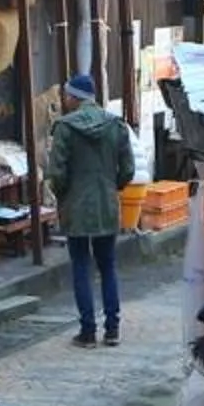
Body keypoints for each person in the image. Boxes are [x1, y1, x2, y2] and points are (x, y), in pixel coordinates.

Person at [45, 73, 133, 348]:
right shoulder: (115, 125)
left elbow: (56, 172)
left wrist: (63, 195)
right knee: (108, 266)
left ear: (74, 97)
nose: (65, 100)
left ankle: (87, 331)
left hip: (76, 206)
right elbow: (128, 169)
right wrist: (111, 186)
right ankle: (113, 329)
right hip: (107, 204)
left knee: (81, 266)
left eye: (67, 95)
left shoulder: (65, 128)